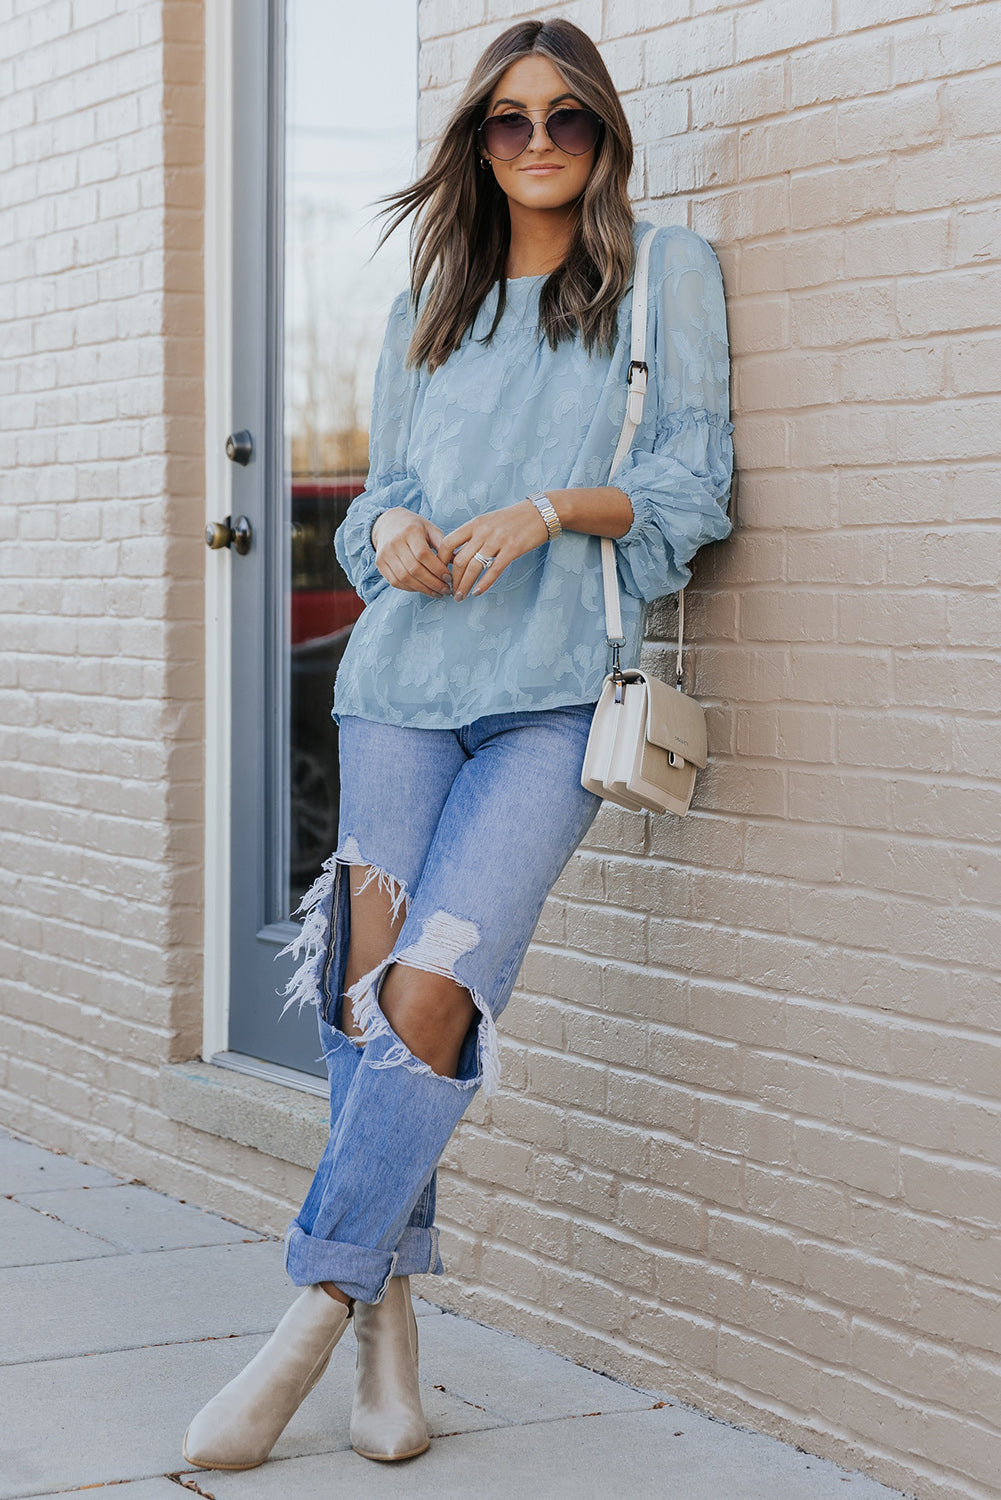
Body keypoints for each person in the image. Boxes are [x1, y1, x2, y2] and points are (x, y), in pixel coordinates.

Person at [183, 15, 733, 1472]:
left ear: (603, 135)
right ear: (476, 144)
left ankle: (307, 1314)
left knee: (437, 985)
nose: (538, 144)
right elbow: (375, 503)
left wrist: (552, 510)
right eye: (508, 121)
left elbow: (690, 490)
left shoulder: (662, 276)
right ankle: (390, 1335)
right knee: (367, 1004)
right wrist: (397, 534)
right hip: (398, 690)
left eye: (565, 120)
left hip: (553, 698)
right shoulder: (435, 291)